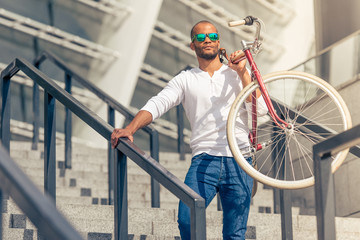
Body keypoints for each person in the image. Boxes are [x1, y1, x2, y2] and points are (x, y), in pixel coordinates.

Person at [111, 20, 267, 239]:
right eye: (201, 38)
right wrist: (130, 128)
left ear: (218, 41)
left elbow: (260, 111)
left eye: (212, 37)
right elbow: (158, 103)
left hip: (240, 159)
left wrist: (243, 73)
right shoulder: (185, 79)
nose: (208, 41)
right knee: (187, 221)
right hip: (205, 160)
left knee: (235, 234)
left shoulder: (236, 74)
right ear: (192, 45)